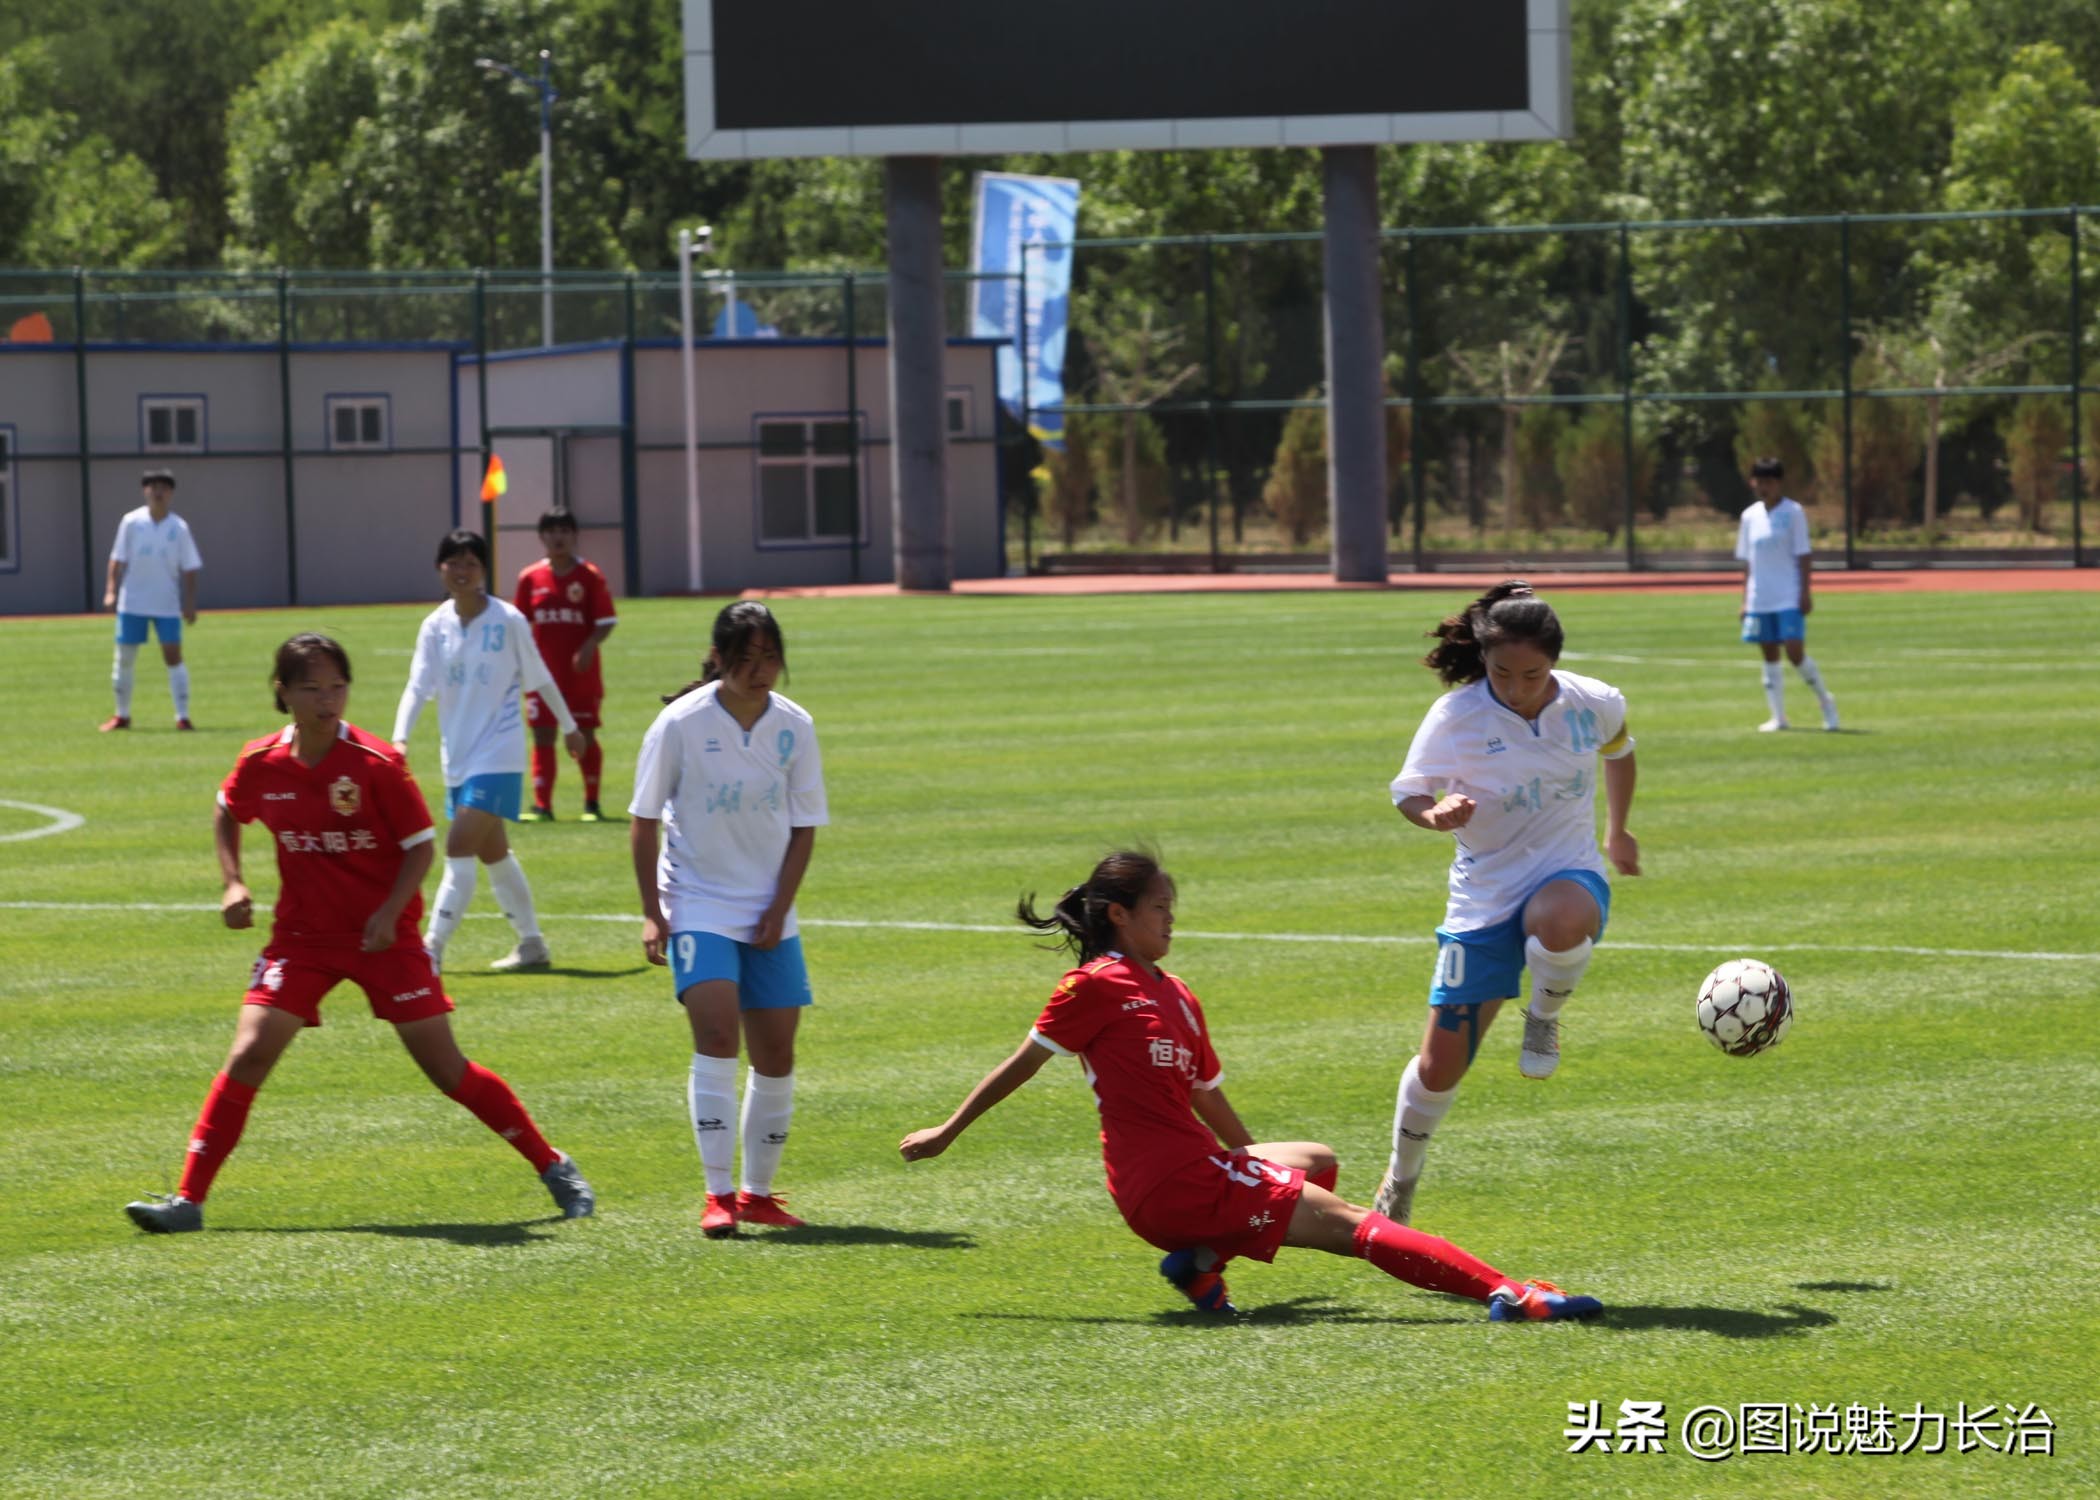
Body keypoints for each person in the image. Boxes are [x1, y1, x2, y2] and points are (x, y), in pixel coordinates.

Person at [898, 851, 1602, 1322]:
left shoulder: (1175, 993)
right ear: (1120, 915)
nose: (1172, 919)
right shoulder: (1093, 987)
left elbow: (1206, 1093)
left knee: (1316, 1160)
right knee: (1358, 1224)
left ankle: (1200, 1265)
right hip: (1169, 1185)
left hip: (1192, 1174)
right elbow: (1023, 1062)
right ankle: (1512, 1294)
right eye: (1160, 908)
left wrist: (1253, 1164)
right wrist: (947, 1131)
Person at [121, 633, 594, 1233]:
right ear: (283, 692)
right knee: (249, 1052)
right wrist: (233, 882)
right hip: (302, 940)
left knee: (445, 1069)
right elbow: (225, 808)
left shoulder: (376, 764)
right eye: (312, 688)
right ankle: (188, 1202)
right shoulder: (261, 761)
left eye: (337, 686)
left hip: (385, 942)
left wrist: (389, 909)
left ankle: (554, 1166)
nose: (328, 699)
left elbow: (421, 849)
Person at [1372, 581, 1640, 1227]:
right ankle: (1399, 1181)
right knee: (1439, 1069)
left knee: (1561, 919)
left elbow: (1621, 751)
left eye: (1533, 674)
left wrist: (1617, 830)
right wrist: (1434, 814)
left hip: (1565, 868)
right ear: (1483, 661)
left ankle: (1543, 1016)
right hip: (1482, 896)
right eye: (1502, 673)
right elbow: (1407, 792)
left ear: (1555, 662)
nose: (1517, 687)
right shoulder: (1456, 718)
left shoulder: (1593, 701)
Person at [630, 602, 827, 1238]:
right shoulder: (680, 724)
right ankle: (717, 1195)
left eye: (771, 657)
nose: (761, 670)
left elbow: (803, 828)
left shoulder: (795, 726)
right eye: (748, 658)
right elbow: (642, 821)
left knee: (776, 1054)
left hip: (769, 909)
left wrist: (777, 909)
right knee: (717, 1037)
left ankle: (759, 1194)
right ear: (719, 658)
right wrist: (653, 914)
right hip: (698, 903)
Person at [392, 530, 586, 973]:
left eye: (471, 564)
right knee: (493, 853)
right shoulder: (434, 626)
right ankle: (532, 944)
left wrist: (570, 726)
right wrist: (400, 737)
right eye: (453, 563)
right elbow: (418, 687)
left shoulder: (508, 620)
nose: (462, 572)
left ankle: (431, 950)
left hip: (499, 755)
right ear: (440, 568)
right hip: (457, 757)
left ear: (484, 571)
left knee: (458, 847)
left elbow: (541, 677)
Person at [512, 509, 619, 821]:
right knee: (543, 734)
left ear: (574, 536)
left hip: (580, 675)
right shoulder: (530, 578)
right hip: (541, 674)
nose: (558, 537)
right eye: (551, 531)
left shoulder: (590, 576)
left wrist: (588, 646)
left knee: (584, 733)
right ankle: (542, 806)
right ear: (542, 537)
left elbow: (606, 621)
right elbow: (519, 625)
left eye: (564, 530)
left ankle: (592, 804)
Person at [1737, 457, 1839, 732]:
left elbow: (1803, 554)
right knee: (1769, 654)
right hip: (1761, 596)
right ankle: (1778, 716)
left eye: (1769, 482)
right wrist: (1745, 599)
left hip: (1788, 595)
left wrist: (1805, 592)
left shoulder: (1793, 512)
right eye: (1759, 481)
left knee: (1794, 652)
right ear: (1752, 482)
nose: (1764, 487)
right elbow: (1747, 561)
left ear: (1779, 483)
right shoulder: (1749, 516)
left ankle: (1825, 701)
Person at [101, 468, 202, 732]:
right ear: (145, 491)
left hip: (166, 604)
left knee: (173, 656)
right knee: (124, 658)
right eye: (153, 486)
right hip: (132, 601)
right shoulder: (131, 522)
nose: (158, 492)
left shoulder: (179, 528)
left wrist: (189, 602)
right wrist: (111, 589)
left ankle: (183, 716)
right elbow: (117, 559)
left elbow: (190, 567)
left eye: (163, 487)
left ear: (170, 493)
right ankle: (121, 715)